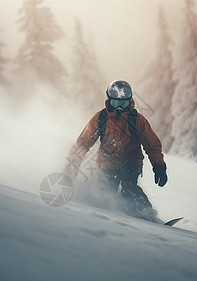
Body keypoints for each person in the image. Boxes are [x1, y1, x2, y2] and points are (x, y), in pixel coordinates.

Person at [64, 80, 168, 221]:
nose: (119, 108)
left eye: (123, 104)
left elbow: (152, 145)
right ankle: (105, 213)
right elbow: (83, 143)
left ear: (130, 101)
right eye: (115, 103)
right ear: (108, 101)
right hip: (107, 163)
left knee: (128, 186)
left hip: (131, 161)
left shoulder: (137, 120)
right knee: (105, 192)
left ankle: (146, 213)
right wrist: (73, 165)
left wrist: (159, 166)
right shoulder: (101, 118)